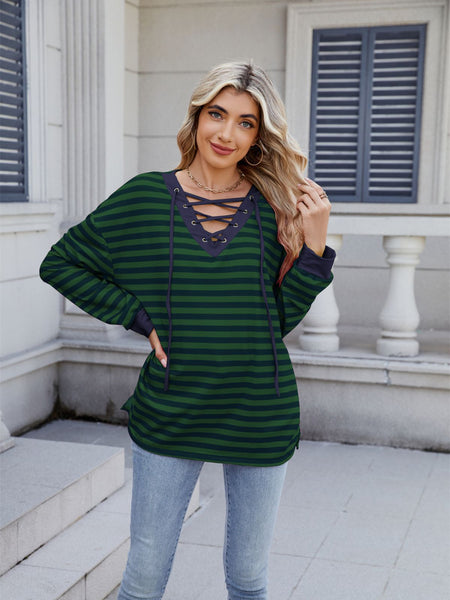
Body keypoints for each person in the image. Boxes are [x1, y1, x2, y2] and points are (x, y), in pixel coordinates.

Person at [40, 61, 334, 600]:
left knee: (248, 580)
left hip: (258, 411)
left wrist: (313, 247)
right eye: (217, 114)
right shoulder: (145, 198)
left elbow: (276, 323)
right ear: (197, 117)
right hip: (171, 409)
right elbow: (61, 263)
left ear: (258, 136)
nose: (227, 133)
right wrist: (138, 318)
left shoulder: (274, 208)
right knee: (144, 578)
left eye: (246, 122)